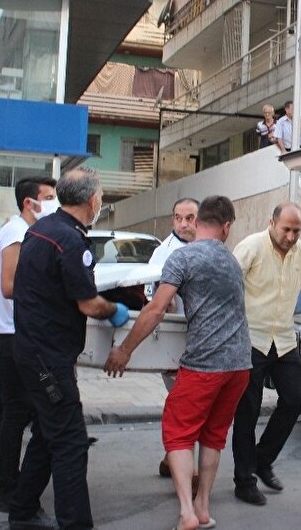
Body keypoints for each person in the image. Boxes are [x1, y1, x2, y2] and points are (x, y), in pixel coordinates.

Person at [105, 195, 251, 530]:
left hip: (205, 364)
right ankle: (202, 509)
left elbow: (155, 309)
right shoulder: (231, 261)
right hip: (240, 364)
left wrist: (124, 349)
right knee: (214, 436)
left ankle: (186, 513)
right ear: (226, 226)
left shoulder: (183, 259)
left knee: (178, 433)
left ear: (198, 222)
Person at [10, 167, 130, 530]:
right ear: (92, 201)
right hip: (48, 360)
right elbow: (88, 303)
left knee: (49, 433)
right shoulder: (71, 241)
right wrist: (114, 311)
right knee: (71, 441)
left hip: (33, 350)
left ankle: (23, 511)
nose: (101, 203)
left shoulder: (41, 230)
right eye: (102, 197)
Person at [231, 202, 301, 506]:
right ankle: (244, 481)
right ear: (271, 223)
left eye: (296, 231)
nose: (290, 236)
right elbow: (228, 286)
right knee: (247, 411)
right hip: (249, 338)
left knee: (296, 399)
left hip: (284, 341)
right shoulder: (251, 247)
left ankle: (262, 459)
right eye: (286, 229)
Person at [0, 176, 58, 511]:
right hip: (1, 333)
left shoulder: (15, 231)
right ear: (29, 203)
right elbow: (8, 285)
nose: (53, 202)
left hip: (4, 329)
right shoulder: (18, 232)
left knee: (12, 403)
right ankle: (8, 489)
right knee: (20, 407)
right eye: (48, 197)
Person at [147, 198, 199, 480]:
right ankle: (185, 468)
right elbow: (149, 294)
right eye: (179, 218)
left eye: (190, 218)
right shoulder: (164, 253)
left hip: (199, 340)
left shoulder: (202, 248)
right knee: (184, 404)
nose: (184, 224)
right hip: (173, 341)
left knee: (185, 404)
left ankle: (172, 459)